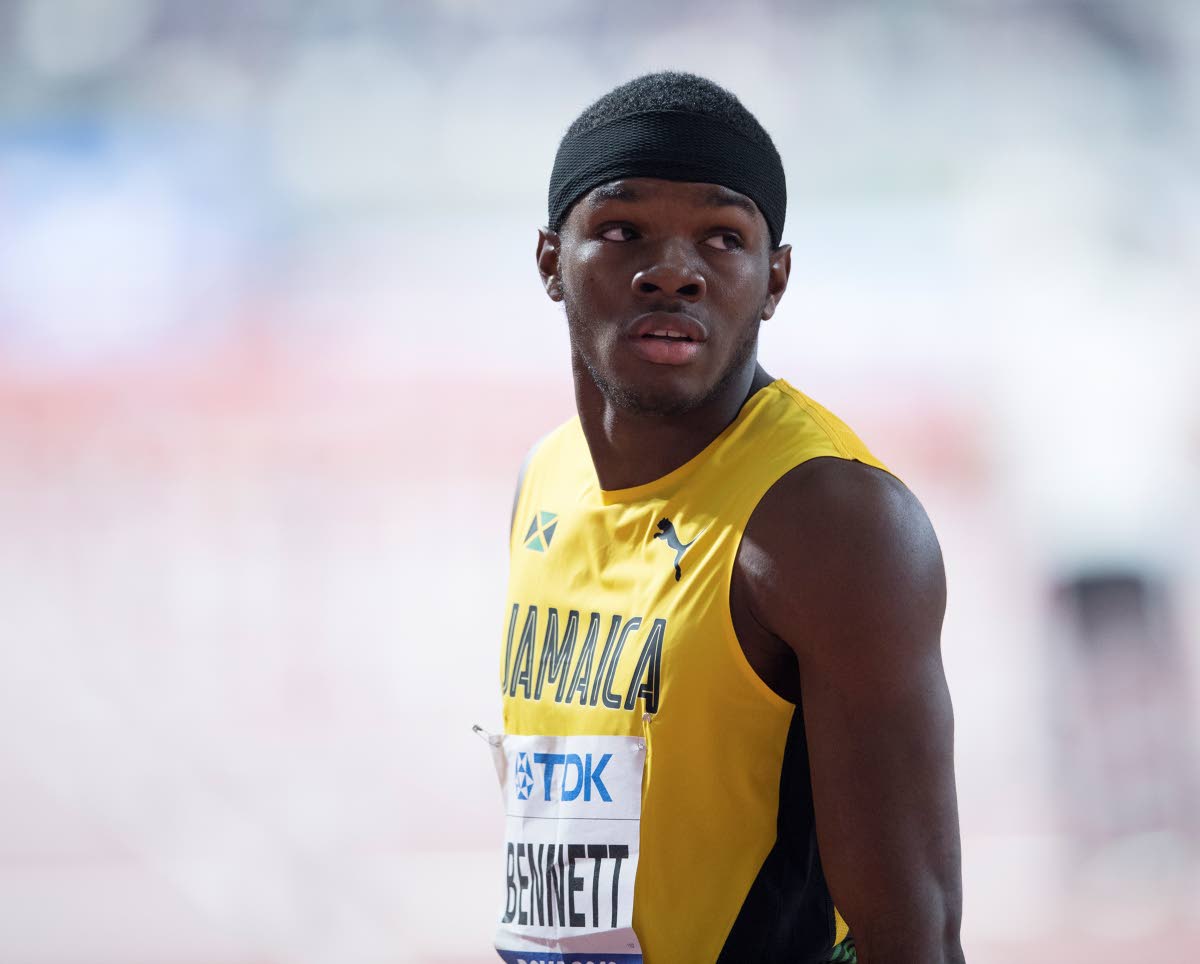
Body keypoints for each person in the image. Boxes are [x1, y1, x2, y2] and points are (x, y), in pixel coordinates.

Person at [486, 71, 964, 964]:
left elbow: (915, 938)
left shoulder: (829, 523)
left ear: (774, 278)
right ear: (550, 260)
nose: (673, 271)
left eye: (722, 238)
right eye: (622, 231)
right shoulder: (545, 480)